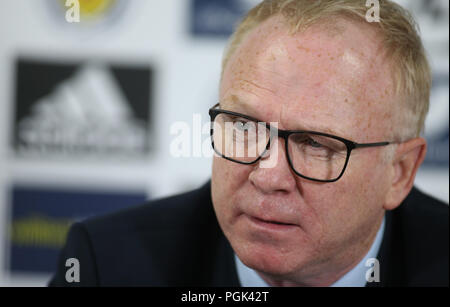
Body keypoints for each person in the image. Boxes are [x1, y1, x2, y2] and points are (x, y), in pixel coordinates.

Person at [49, 0, 448, 287]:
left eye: (316, 144)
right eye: (244, 126)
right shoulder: (109, 266)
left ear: (399, 172)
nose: (269, 175)